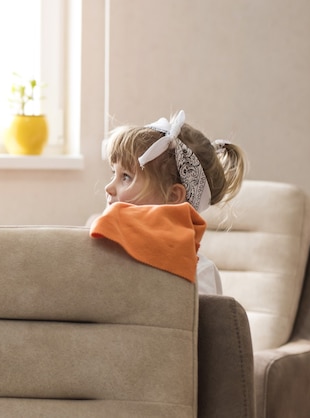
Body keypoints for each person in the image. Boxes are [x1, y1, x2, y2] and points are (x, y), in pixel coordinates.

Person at [89, 110, 246, 294]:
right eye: (113, 173)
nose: (109, 187)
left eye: (126, 177)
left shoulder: (198, 273)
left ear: (173, 197)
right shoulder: (105, 251)